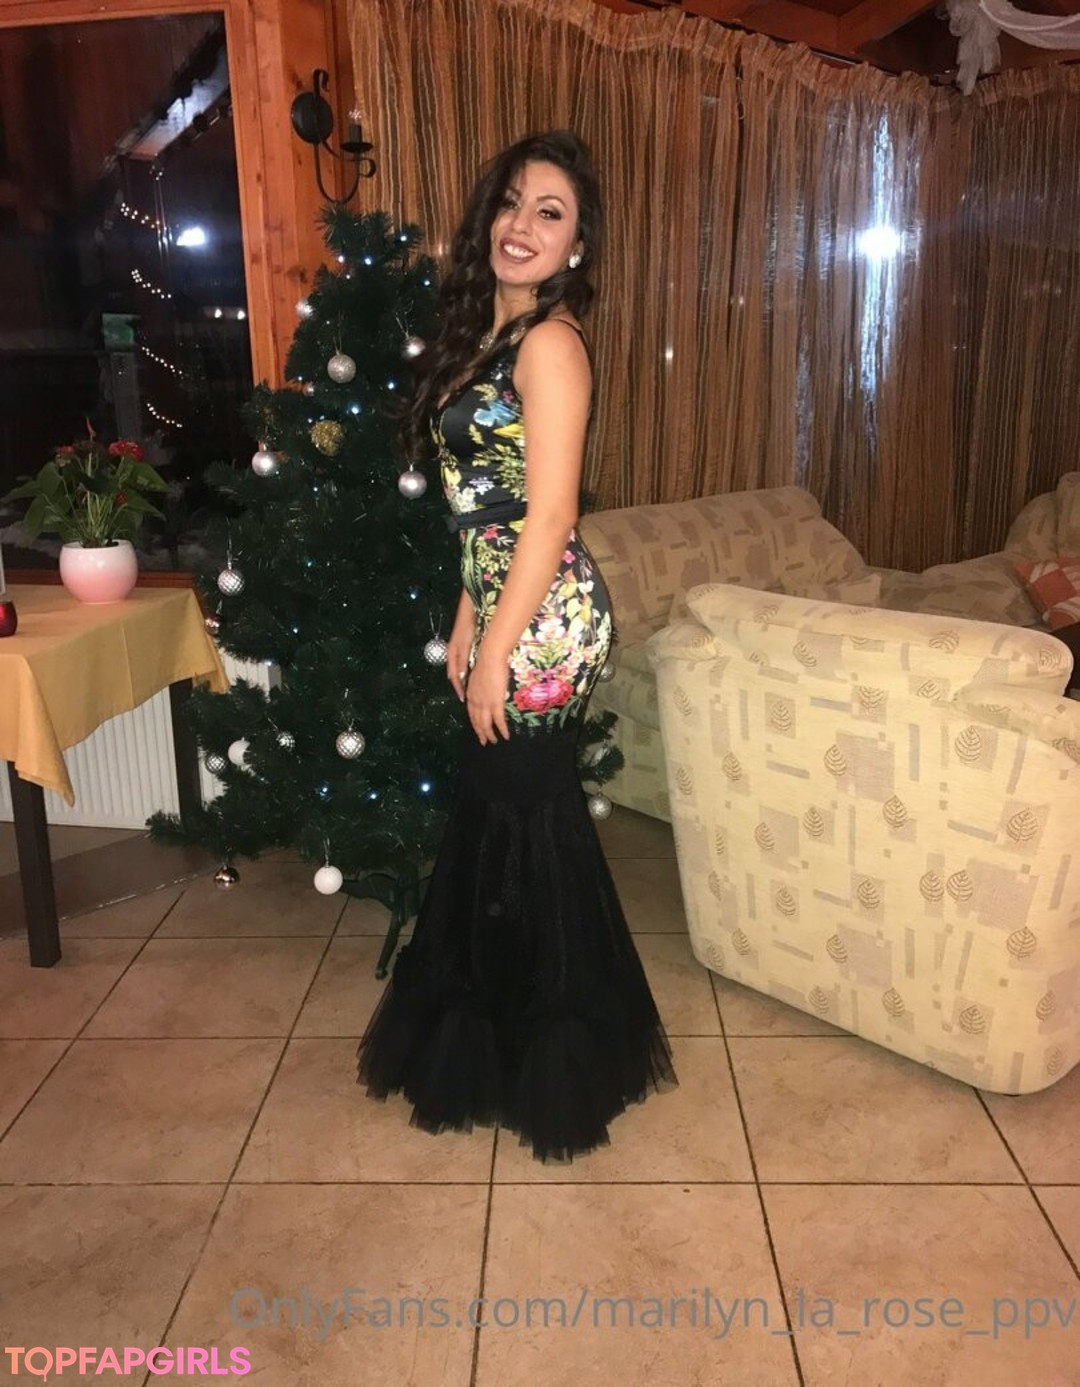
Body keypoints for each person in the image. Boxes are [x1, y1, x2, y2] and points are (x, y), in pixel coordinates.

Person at [356, 130, 677, 1162]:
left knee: (525, 815)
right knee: (502, 810)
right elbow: (481, 511)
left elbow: (548, 518)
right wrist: (468, 616)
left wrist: (498, 648)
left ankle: (557, 1041)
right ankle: (506, 1018)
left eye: (551, 212)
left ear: (577, 245)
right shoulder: (488, 337)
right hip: (504, 601)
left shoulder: (550, 345)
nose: (523, 225)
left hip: (548, 618)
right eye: (513, 202)